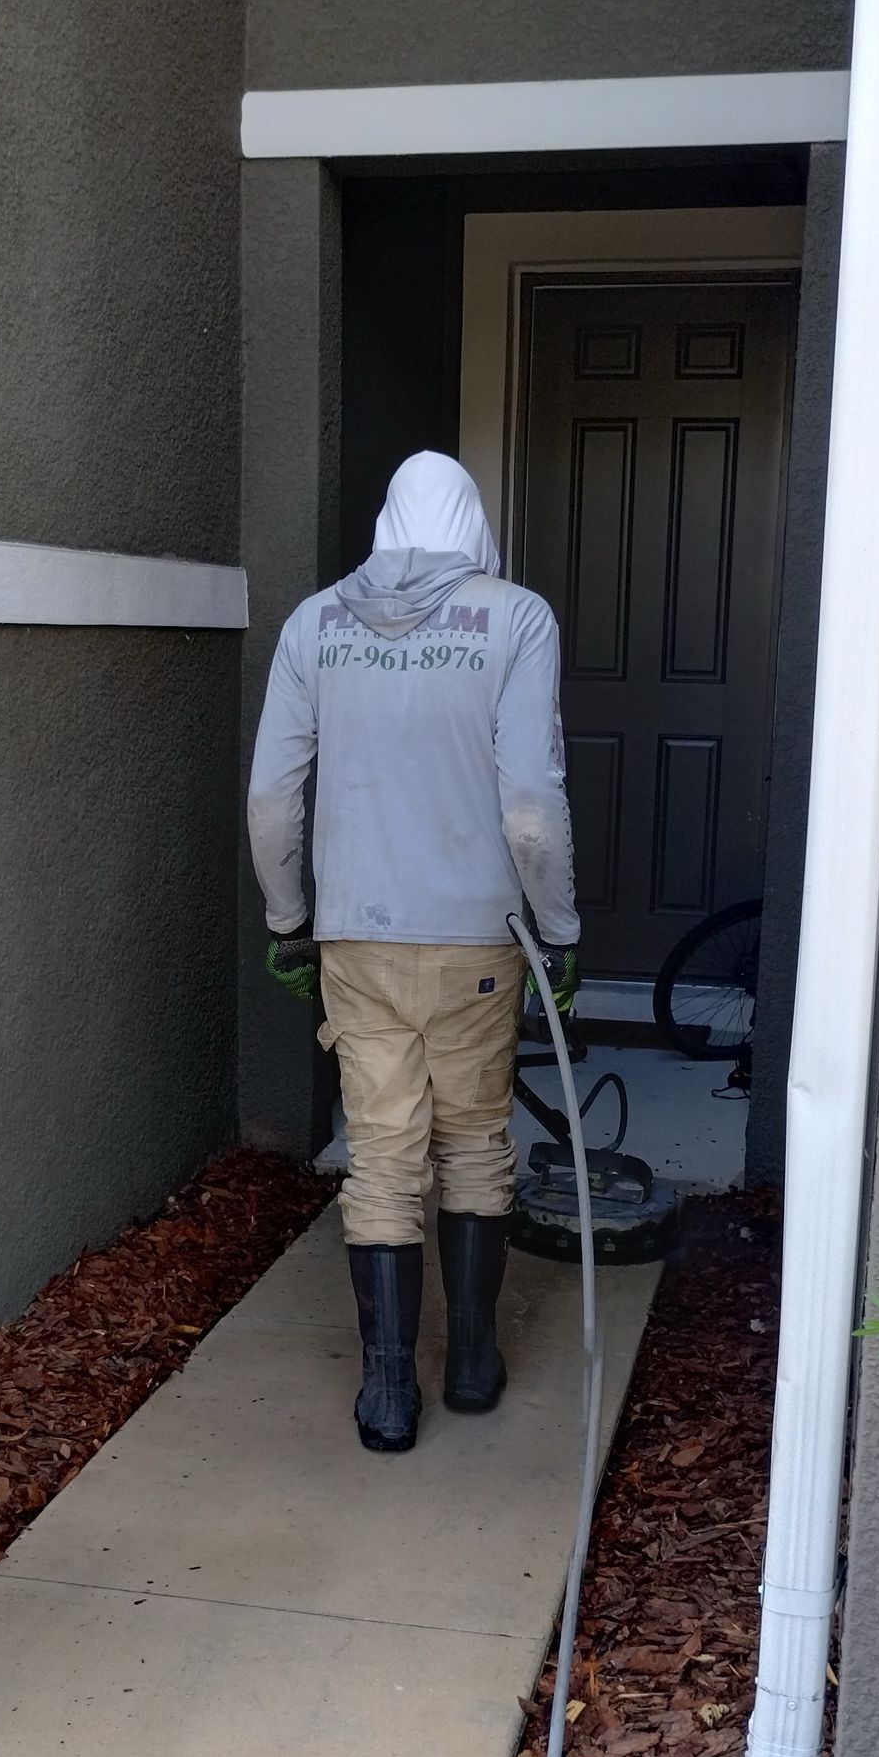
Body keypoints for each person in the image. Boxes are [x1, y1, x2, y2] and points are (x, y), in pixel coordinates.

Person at [247, 450, 580, 1455]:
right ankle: (471, 1362)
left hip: (358, 933)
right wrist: (559, 930)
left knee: (383, 1150)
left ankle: (388, 1392)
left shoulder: (316, 625)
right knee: (475, 1141)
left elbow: (272, 797)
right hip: (479, 937)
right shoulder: (517, 619)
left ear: (389, 521)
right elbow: (529, 806)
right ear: (472, 523)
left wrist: (286, 916)